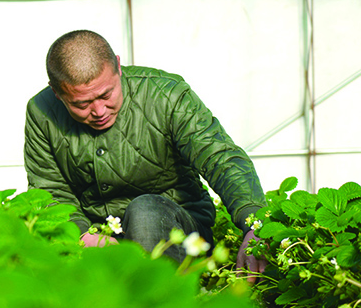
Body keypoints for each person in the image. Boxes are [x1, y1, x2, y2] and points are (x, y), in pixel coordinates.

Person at [24, 29, 267, 279]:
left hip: (179, 231)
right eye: (81, 104)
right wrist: (82, 234)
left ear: (118, 66)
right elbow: (50, 190)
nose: (98, 110)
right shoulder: (42, 112)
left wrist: (255, 226)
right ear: (57, 92)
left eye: (106, 95)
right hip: (95, 241)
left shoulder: (166, 95)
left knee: (146, 212)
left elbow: (220, 158)